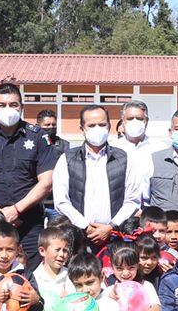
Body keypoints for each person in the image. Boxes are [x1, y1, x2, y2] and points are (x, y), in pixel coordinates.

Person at [0, 84, 58, 265]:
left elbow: (47, 182)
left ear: (22, 107)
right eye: (2, 105)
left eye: (13, 104)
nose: (8, 109)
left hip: (29, 225)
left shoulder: (38, 137)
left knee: (30, 279)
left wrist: (15, 210)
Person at [53, 104, 142, 254]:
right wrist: (86, 227)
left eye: (102, 124)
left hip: (115, 239)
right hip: (78, 239)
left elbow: (132, 200)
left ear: (109, 126)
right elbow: (61, 201)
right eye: (91, 125)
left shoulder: (124, 158)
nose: (97, 129)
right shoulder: (67, 159)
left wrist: (110, 227)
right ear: (82, 129)